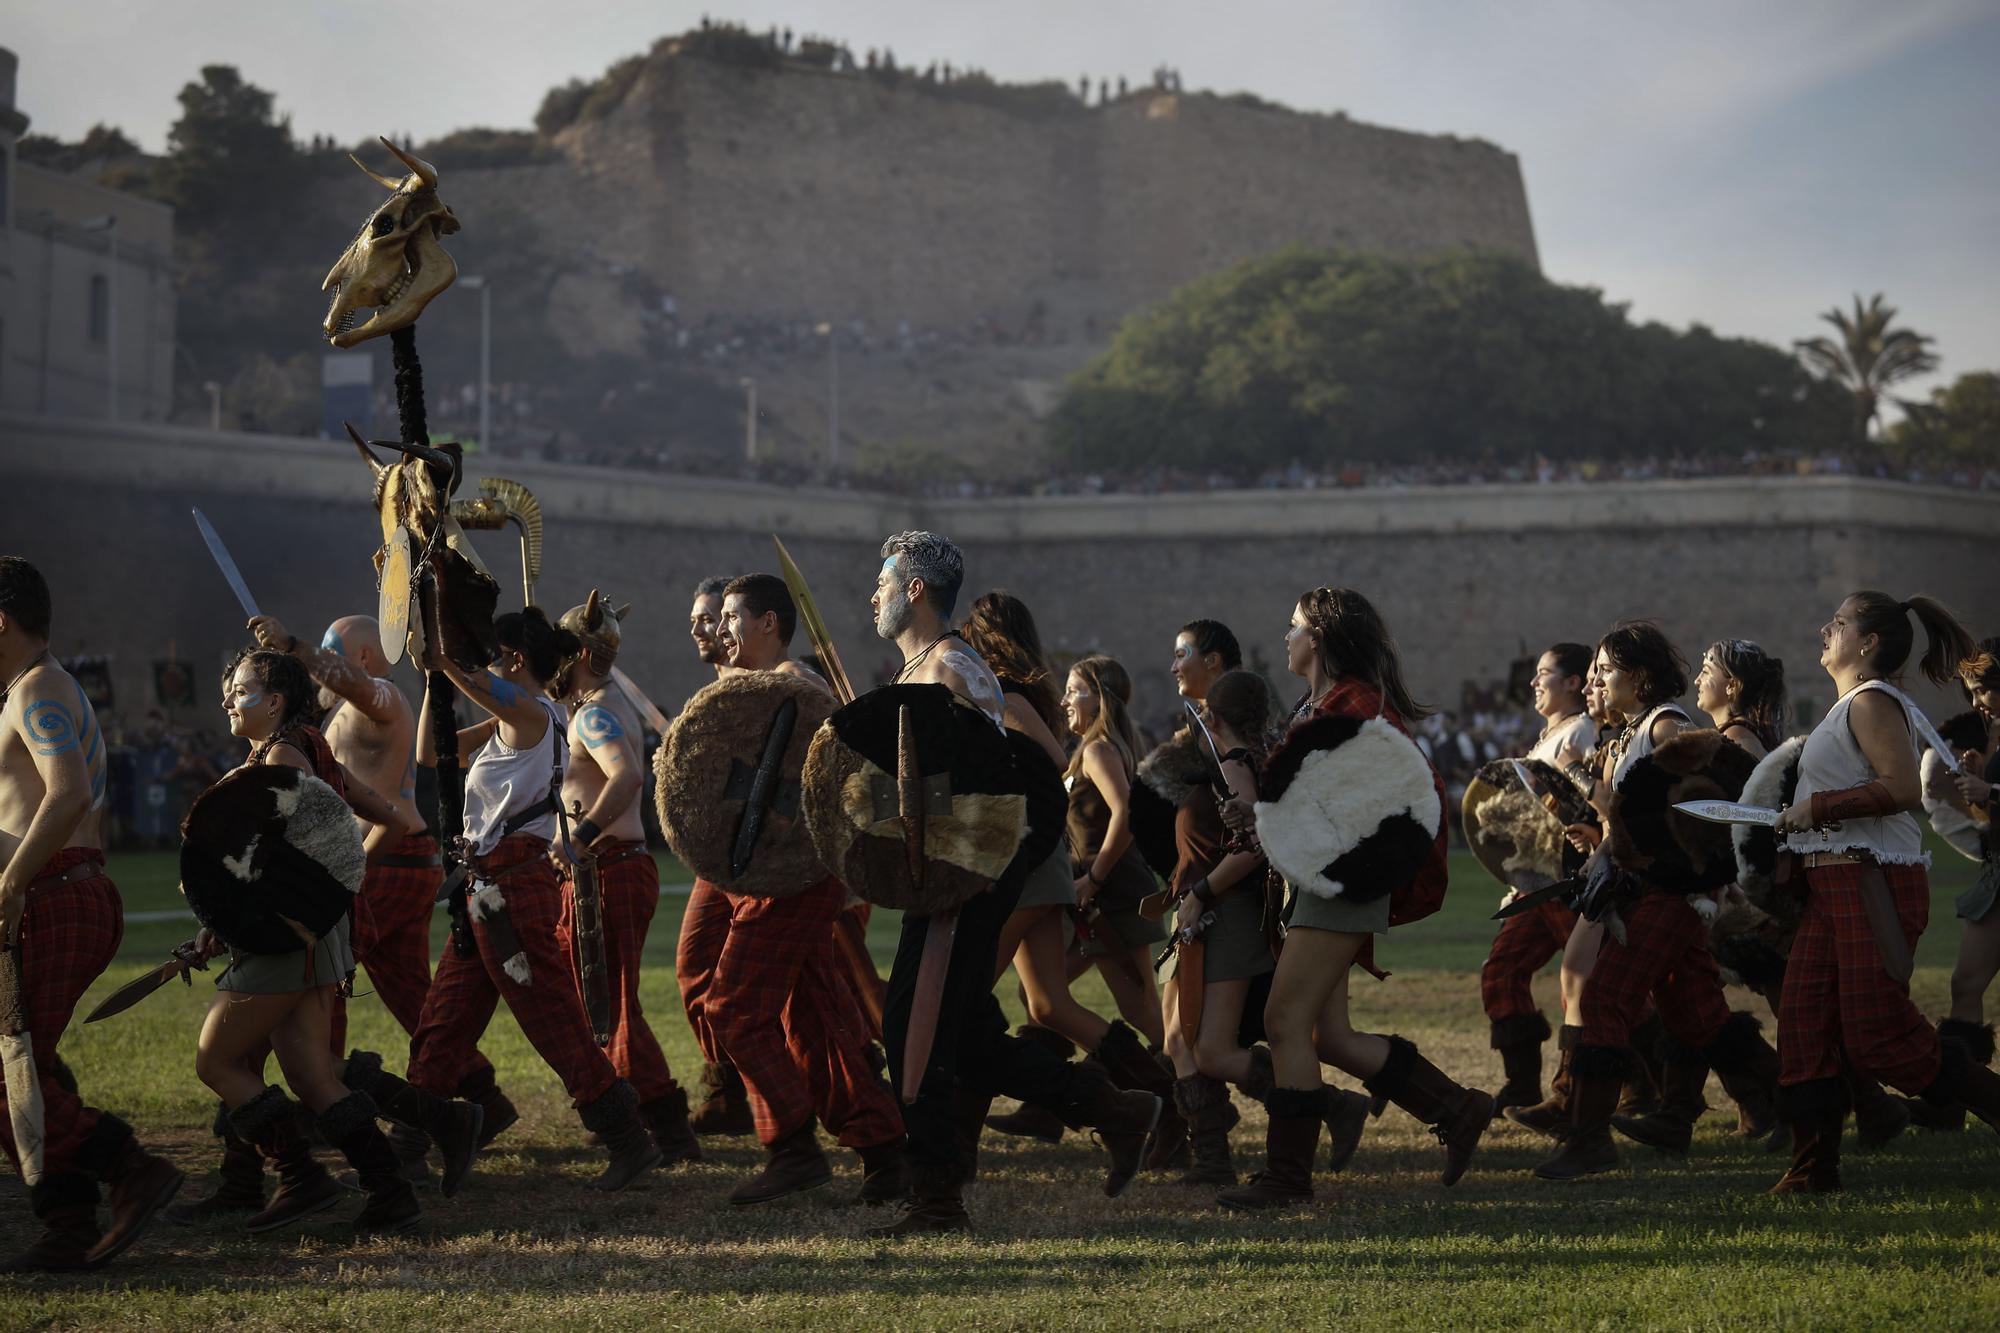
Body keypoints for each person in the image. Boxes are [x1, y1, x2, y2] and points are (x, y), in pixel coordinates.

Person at [866, 531, 1160, 1236]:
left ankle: (936, 1198)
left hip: (964, 883)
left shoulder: (954, 669)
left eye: (882, 581)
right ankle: (1114, 1106)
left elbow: (1015, 788)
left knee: (919, 1028)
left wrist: (981, 871)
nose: (870, 594)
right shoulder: (917, 674)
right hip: (934, 878)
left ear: (914, 589)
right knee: (963, 1034)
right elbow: (925, 796)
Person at [190, 648, 480, 1236]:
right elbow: (391, 821)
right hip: (310, 938)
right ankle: (391, 1192)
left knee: (217, 1060)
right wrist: (330, 892)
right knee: (314, 1073)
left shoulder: (280, 766)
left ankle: (299, 1176)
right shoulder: (312, 752)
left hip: (283, 945)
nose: (228, 699)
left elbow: (266, 866)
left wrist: (310, 896)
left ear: (273, 702)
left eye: (241, 690)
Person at [1218, 587, 1491, 1209]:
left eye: (1293, 627)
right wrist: (1260, 814)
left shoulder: (1356, 705)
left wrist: (1267, 815)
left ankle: (1288, 1178)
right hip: (1325, 878)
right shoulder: (1326, 703)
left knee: (1282, 1020)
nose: (1285, 636)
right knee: (1327, 1037)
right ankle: (1458, 1107)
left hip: (1342, 882)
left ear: (1317, 636)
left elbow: (1372, 800)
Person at [243, 612, 517, 1184]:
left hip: (387, 861)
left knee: (323, 977)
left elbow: (350, 683)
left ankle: (328, 1099)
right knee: (409, 993)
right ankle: (482, 1098)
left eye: (327, 649)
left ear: (362, 657)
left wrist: (291, 643)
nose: (315, 659)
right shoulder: (341, 712)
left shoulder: (382, 694)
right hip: (390, 859)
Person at [406, 607, 662, 1192]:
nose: (490, 664)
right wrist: (431, 677)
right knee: (444, 1021)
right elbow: (429, 751)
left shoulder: (534, 715)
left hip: (513, 885)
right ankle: (410, 1142)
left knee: (553, 1019)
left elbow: (478, 685)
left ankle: (629, 1138)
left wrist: (445, 659)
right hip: (486, 888)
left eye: (497, 653)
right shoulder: (511, 722)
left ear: (514, 659)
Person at [1770, 593, 2000, 1193]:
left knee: (1878, 1037)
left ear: (1867, 643)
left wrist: (1814, 808)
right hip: (1834, 879)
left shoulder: (1872, 701)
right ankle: (1812, 1170)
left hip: (1871, 880)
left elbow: (1901, 789)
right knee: (1802, 1024)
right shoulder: (1850, 704)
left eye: (1840, 623)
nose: (1827, 628)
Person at [1535, 623, 1778, 1181]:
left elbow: (1707, 810)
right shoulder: (1629, 732)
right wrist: (1603, 836)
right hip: (1638, 888)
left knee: (1603, 998)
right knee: (1697, 1016)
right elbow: (1637, 820)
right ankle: (1791, 1100)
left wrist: (1685, 868)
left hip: (1669, 894)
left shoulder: (1668, 725)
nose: (1596, 679)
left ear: (1638, 676)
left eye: (1606, 670)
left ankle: (1590, 1138)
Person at [697, 573, 906, 1207]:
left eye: (733, 616)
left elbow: (836, 792)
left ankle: (793, 1146)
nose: (722, 628)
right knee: (813, 1021)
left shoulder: (800, 687)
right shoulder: (760, 689)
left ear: (768, 623)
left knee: (731, 1009)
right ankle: (884, 1150)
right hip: (776, 876)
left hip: (793, 878)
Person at [0, 556, 183, 1272]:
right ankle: (68, 1221)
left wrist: (11, 880)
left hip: (54, 894)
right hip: (54, 893)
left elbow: (68, 790)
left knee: (10, 1070)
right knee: (28, 1062)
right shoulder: (30, 687)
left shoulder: (38, 688)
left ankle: (130, 1167)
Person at [550, 593, 699, 1165]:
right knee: (599, 1004)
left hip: (608, 867)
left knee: (613, 1008)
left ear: (581, 652)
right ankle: (628, 1110)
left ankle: (667, 1125)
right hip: (601, 870)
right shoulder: (589, 705)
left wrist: (580, 835)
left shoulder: (595, 712)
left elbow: (627, 776)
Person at [1157, 667, 1312, 1188]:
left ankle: (1324, 1105)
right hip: (1206, 907)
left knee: (1211, 1049)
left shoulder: (1236, 763)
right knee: (1179, 1040)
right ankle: (1211, 1157)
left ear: (1214, 715)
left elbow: (1254, 844)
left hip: (1223, 911)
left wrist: (1201, 895)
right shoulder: (1244, 758)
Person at [1481, 642, 1596, 1116]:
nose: (1534, 682)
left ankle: (1632, 1089)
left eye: (1544, 673)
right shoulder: (1549, 736)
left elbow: (1590, 809)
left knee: (1590, 987)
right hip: (1536, 882)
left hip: (1568, 883)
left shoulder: (1585, 733)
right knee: (1502, 973)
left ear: (1572, 682)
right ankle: (1522, 1084)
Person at [678, 575, 755, 1136]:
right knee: (694, 965)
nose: (703, 629)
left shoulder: (765, 683)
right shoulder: (708, 691)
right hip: (717, 857)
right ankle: (727, 1086)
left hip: (763, 856)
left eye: (712, 617)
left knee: (823, 985)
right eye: (697, 621)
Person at [1695, 638, 1788, 759]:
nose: (1697, 681)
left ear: (1732, 685)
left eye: (1705, 671)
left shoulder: (1734, 742)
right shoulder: (1745, 737)